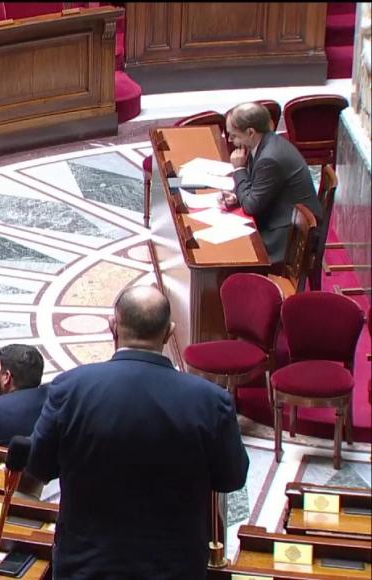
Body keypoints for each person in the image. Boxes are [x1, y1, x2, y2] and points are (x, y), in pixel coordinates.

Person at [27, 285, 248, 580]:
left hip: (86, 565)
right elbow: (232, 477)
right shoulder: (209, 400)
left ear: (112, 327)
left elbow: (38, 466)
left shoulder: (69, 389)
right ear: (169, 332)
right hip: (174, 568)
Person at [222, 102, 323, 264]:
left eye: (234, 135)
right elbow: (259, 187)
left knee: (232, 253)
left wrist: (239, 169)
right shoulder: (266, 142)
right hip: (279, 214)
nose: (230, 139)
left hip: (288, 234)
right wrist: (237, 196)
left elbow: (251, 206)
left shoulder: (269, 158)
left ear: (250, 132)